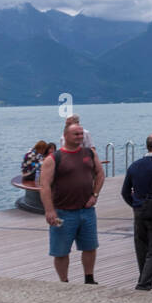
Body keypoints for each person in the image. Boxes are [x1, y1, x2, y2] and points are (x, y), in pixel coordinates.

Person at [40, 120, 104, 284]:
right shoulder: (54, 158)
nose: (80, 137)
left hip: (87, 210)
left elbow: (100, 174)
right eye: (76, 134)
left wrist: (95, 194)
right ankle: (64, 281)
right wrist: (49, 210)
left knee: (90, 246)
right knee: (60, 251)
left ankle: (89, 279)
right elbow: (45, 186)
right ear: (66, 136)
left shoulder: (89, 154)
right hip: (63, 211)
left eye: (82, 134)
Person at [121, 134, 152, 291]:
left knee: (141, 247)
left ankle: (143, 278)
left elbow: (125, 191)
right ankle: (144, 284)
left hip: (139, 209)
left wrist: (134, 204)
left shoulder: (135, 165)